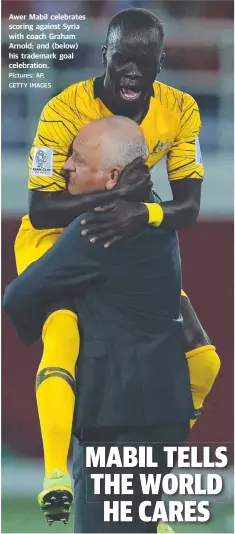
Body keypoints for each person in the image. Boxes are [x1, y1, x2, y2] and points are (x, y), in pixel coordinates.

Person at [13, 6, 220, 528]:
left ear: (161, 61)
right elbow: (40, 207)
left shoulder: (181, 109)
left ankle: (152, 493)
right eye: (122, 60)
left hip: (128, 231)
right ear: (103, 54)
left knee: (202, 358)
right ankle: (57, 473)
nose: (132, 73)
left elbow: (188, 207)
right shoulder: (62, 109)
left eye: (143, 63)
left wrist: (140, 212)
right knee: (63, 334)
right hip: (57, 236)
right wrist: (106, 205)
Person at [4, 116, 194, 533]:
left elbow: (18, 297)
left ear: (112, 177)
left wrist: (63, 299)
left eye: (77, 158)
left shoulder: (98, 226)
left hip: (116, 418)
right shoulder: (153, 211)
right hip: (164, 412)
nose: (65, 166)